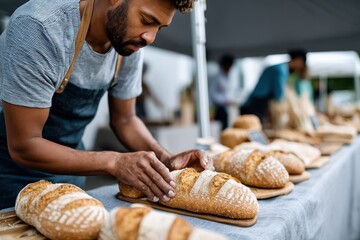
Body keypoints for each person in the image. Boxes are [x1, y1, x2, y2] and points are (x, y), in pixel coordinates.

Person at [0, 0, 213, 210]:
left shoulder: (128, 42)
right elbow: (24, 145)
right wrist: (114, 161)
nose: (150, 37)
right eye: (147, 20)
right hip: (9, 175)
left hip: (71, 175)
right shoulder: (40, 28)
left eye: (160, 27)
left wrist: (165, 159)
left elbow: (125, 120)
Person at [241, 49, 307, 123]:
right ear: (299, 60)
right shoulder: (280, 70)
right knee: (254, 125)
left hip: (257, 101)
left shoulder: (281, 68)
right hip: (257, 102)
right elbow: (279, 94)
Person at [209, 54, 235, 130]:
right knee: (220, 127)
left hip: (223, 107)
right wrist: (225, 101)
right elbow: (212, 94)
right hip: (217, 107)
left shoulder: (225, 76)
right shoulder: (217, 77)